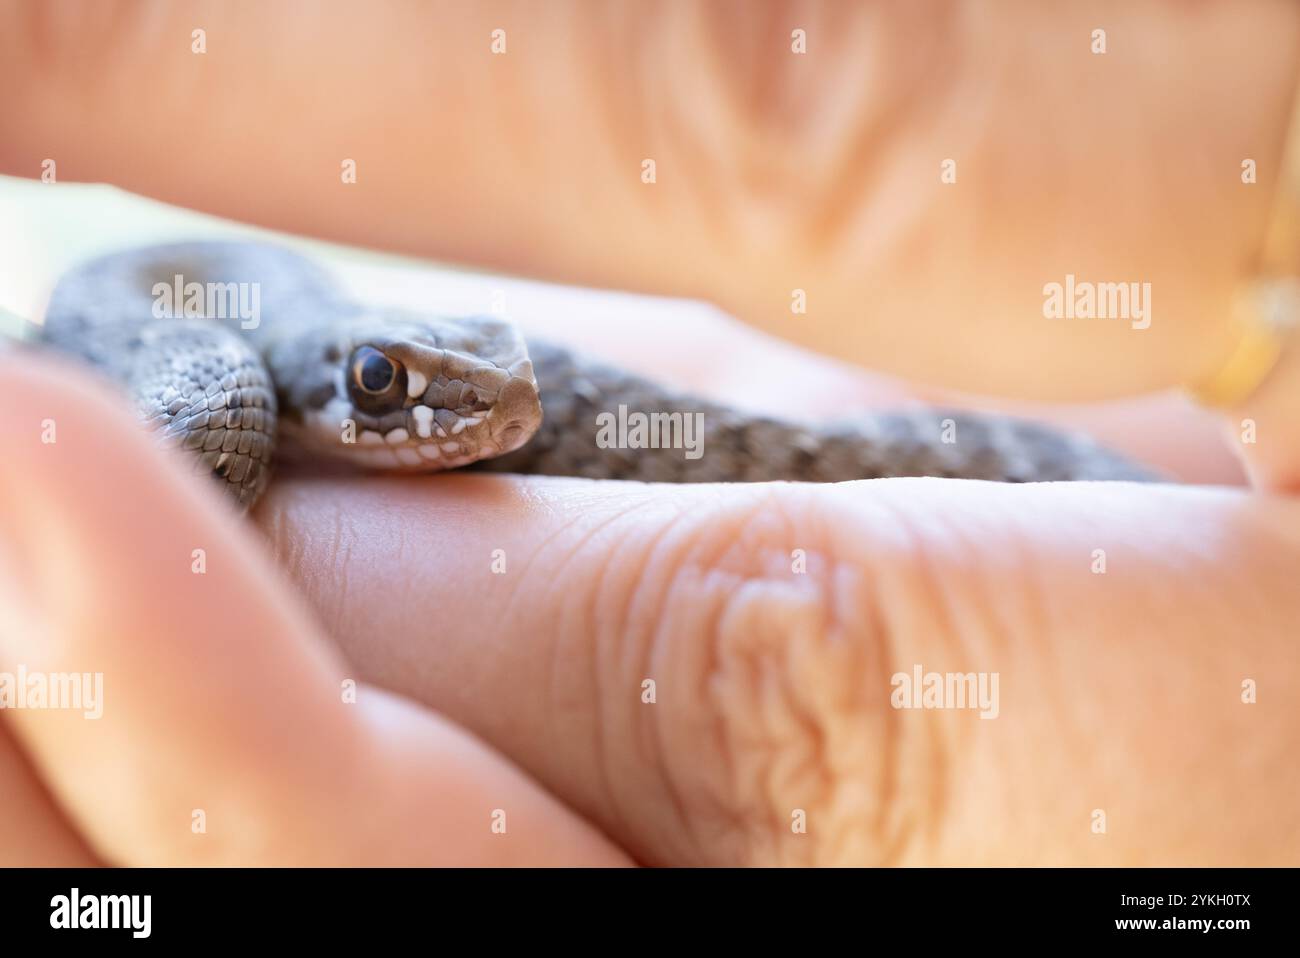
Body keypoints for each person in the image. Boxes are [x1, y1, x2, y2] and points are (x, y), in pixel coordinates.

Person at [0, 1, 1297, 866]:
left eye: (493, 379)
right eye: (393, 386)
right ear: (288, 392)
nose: (477, 414)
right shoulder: (179, 353)